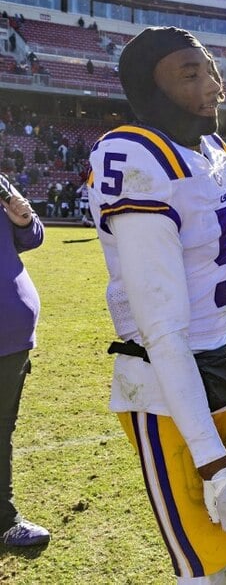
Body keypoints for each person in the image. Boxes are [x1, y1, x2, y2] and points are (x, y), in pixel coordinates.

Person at [87, 27, 226, 583]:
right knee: (204, 564)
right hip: (168, 388)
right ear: (151, 89)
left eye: (211, 69)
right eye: (189, 74)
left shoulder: (211, 150)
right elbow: (162, 323)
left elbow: (221, 280)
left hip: (224, 370)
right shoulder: (136, 156)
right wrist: (213, 461)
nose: (214, 85)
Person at [0, 173, 50, 547]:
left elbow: (32, 236)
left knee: (2, 430)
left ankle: (4, 517)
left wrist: (24, 220)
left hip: (13, 336)